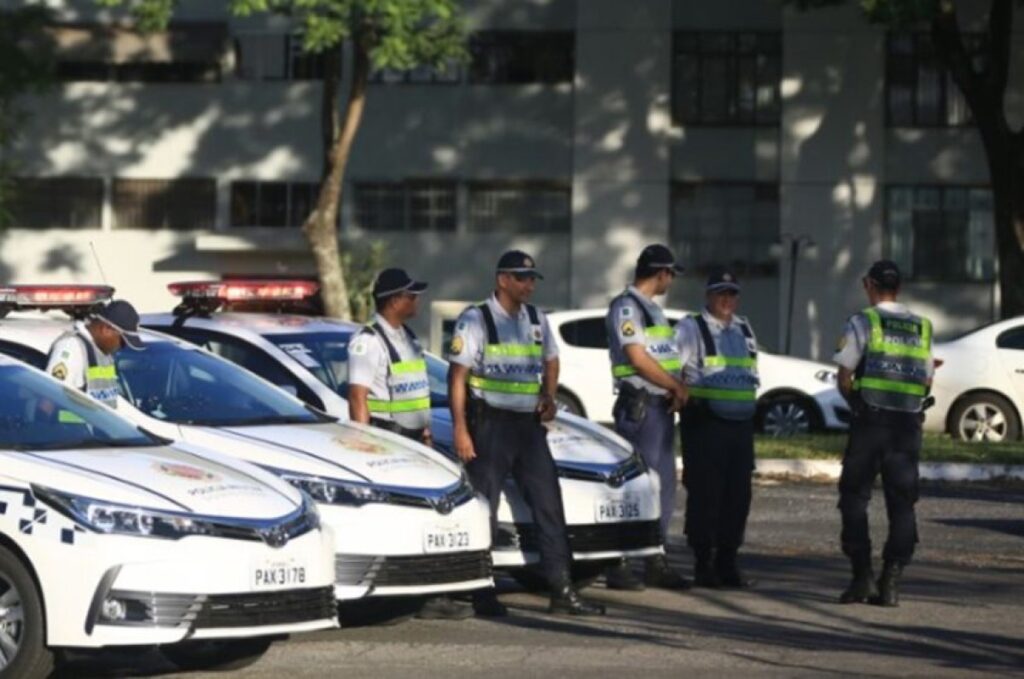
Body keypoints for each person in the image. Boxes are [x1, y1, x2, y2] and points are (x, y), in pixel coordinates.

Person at [448, 250, 605, 617]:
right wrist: (461, 429)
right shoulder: (476, 319)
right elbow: (457, 376)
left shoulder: (536, 318)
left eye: (532, 278)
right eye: (522, 278)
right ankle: (481, 590)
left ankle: (562, 588)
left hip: (528, 427)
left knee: (550, 504)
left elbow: (551, 359)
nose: (529, 284)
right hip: (490, 424)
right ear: (503, 280)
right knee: (484, 507)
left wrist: (548, 395)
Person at [347, 268, 473, 621]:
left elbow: (413, 390)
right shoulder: (368, 341)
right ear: (393, 300)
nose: (417, 301)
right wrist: (362, 447)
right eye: (411, 295)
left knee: (431, 518)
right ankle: (420, 598)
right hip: (388, 442)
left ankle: (431, 594)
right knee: (409, 521)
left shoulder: (407, 337)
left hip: (416, 441)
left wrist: (427, 430)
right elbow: (358, 398)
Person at [833, 260, 934, 607]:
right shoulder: (922, 327)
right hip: (907, 426)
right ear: (899, 288)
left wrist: (856, 405)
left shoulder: (864, 322)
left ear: (869, 285)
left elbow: (844, 375)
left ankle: (862, 576)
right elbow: (926, 379)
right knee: (902, 503)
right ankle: (891, 581)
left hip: (870, 423)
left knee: (854, 496)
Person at [603, 244, 691, 591]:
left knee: (663, 487)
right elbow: (637, 358)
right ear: (662, 273)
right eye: (671, 274)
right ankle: (618, 562)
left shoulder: (651, 309)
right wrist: (676, 385)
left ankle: (655, 558)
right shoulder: (627, 307)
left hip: (659, 407)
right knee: (635, 487)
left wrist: (673, 388)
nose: (671, 280)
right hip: (641, 407)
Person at [675, 267, 758, 589]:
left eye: (732, 293)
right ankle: (703, 562)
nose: (727, 299)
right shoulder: (690, 327)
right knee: (706, 497)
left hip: (740, 426)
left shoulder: (744, 328)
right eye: (721, 293)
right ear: (708, 295)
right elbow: (674, 370)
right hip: (705, 422)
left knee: (738, 498)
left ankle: (728, 560)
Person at [45, 300, 144, 409]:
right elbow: (49, 403)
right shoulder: (72, 348)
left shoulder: (104, 354)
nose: (122, 346)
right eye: (122, 341)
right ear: (106, 329)